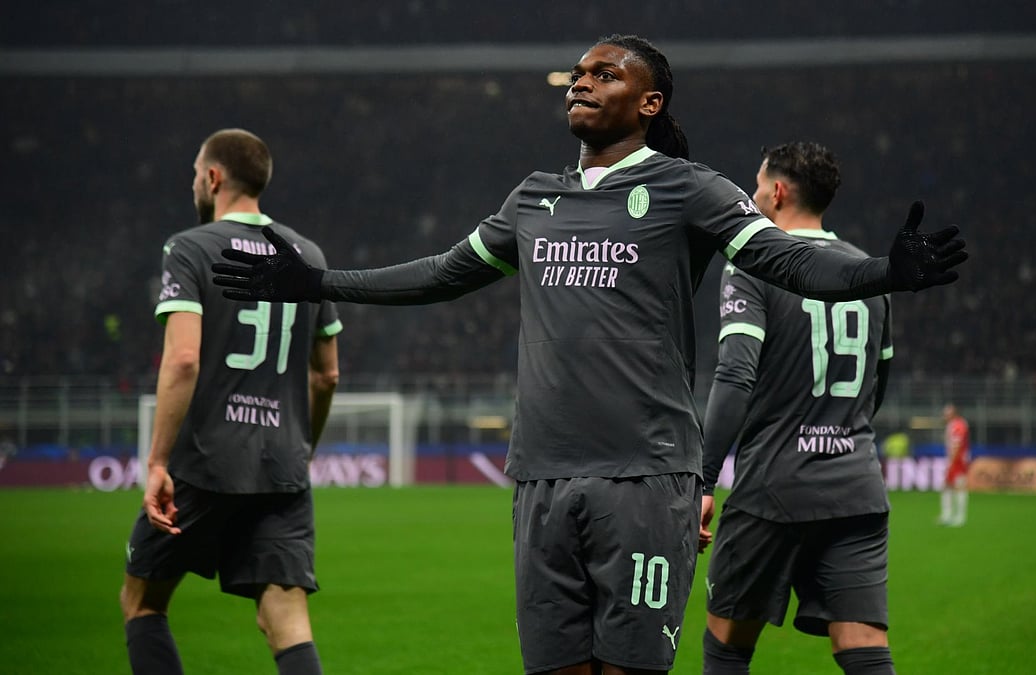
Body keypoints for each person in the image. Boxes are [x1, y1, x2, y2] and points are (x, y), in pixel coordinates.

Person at [211, 35, 965, 675]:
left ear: (650, 103)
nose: (582, 80)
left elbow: (791, 262)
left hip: (644, 474)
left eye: (605, 73)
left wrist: (882, 274)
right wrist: (314, 281)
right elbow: (443, 272)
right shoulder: (534, 198)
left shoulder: (687, 189)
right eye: (579, 71)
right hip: (540, 472)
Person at [120, 128, 342, 675]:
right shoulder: (307, 255)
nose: (195, 181)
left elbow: (183, 360)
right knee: (286, 622)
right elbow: (327, 376)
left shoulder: (190, 248)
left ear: (213, 177)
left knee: (142, 602)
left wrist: (155, 463)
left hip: (204, 462)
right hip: (281, 467)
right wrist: (302, 450)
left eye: (197, 172)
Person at [697, 142, 897, 675]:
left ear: (778, 192)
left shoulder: (753, 265)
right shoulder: (872, 273)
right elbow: (879, 386)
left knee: (727, 643)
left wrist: (703, 480)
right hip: (856, 486)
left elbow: (735, 375)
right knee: (862, 646)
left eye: (758, 185)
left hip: (774, 488)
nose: (753, 194)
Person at [938, 403, 970, 527]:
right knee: (947, 486)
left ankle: (960, 517)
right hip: (954, 459)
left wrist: (951, 462)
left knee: (959, 486)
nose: (944, 415)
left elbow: (957, 445)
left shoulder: (958, 425)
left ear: (953, 414)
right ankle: (947, 515)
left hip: (958, 461)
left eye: (947, 413)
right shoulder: (952, 425)